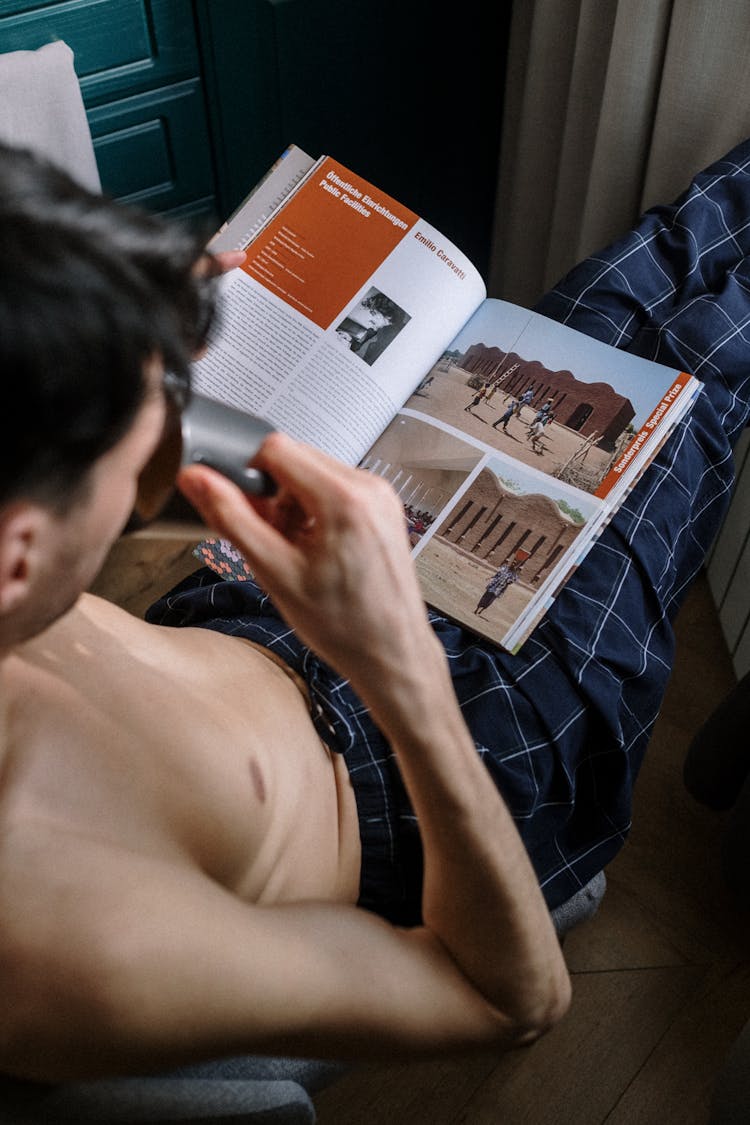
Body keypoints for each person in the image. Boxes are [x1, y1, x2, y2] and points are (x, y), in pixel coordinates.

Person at [4, 131, 750, 1087]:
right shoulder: (64, 942)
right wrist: (399, 666)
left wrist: (116, 318)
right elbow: (509, 1002)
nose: (168, 443)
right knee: (701, 382)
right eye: (142, 442)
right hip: (451, 741)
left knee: (613, 306)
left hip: (259, 597)